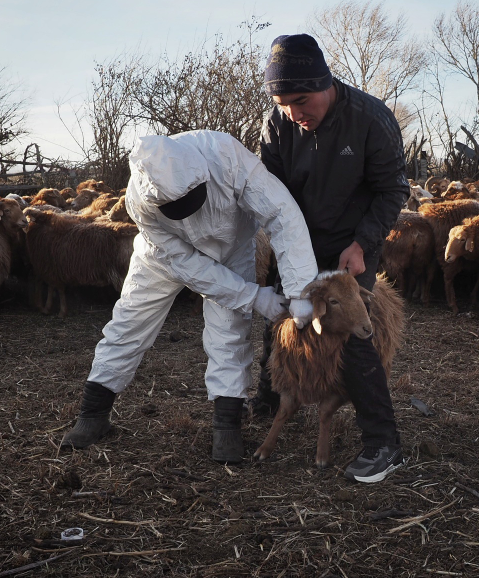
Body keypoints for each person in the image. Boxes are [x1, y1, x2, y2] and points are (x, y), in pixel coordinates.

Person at [60, 130, 319, 464]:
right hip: (164, 258)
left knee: (229, 331)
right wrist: (252, 296)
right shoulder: (141, 200)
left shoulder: (226, 155)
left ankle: (226, 427)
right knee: (130, 322)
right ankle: (92, 415)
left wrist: (299, 292)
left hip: (232, 249)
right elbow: (187, 266)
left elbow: (281, 213)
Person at [252, 33, 410, 483]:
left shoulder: (370, 119)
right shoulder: (277, 125)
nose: (294, 114)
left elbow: (392, 189)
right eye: (283, 104)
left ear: (326, 84)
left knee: (355, 334)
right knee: (285, 316)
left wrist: (363, 242)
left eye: (301, 101)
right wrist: (287, 245)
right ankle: (270, 395)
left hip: (352, 244)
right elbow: (273, 192)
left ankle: (382, 441)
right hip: (297, 238)